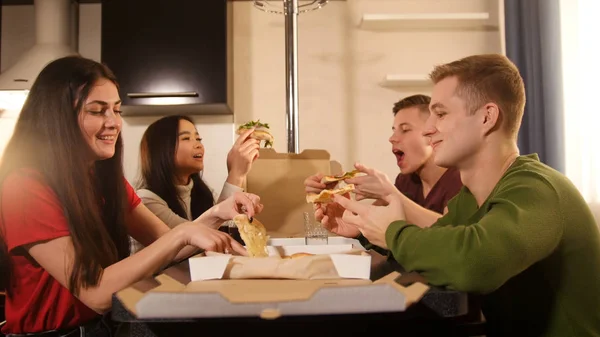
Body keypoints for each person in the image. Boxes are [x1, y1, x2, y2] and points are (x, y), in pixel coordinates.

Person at [319, 54, 600, 336]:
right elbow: (439, 250)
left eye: (440, 114)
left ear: (487, 117)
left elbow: (474, 263)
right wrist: (364, 228)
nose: (429, 129)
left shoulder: (536, 188)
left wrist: (393, 232)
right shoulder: (469, 199)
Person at [0, 56, 262, 336]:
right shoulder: (26, 187)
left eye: (116, 110)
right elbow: (96, 292)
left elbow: (170, 247)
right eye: (98, 111)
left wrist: (216, 214)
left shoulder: (102, 180)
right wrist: (184, 233)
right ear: (58, 116)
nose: (114, 122)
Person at [130, 115, 260, 252]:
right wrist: (236, 173)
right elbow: (192, 243)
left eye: (198, 139)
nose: (199, 145)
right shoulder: (146, 201)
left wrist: (238, 175)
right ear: (161, 149)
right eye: (186, 138)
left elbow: (226, 230)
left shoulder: (202, 194)